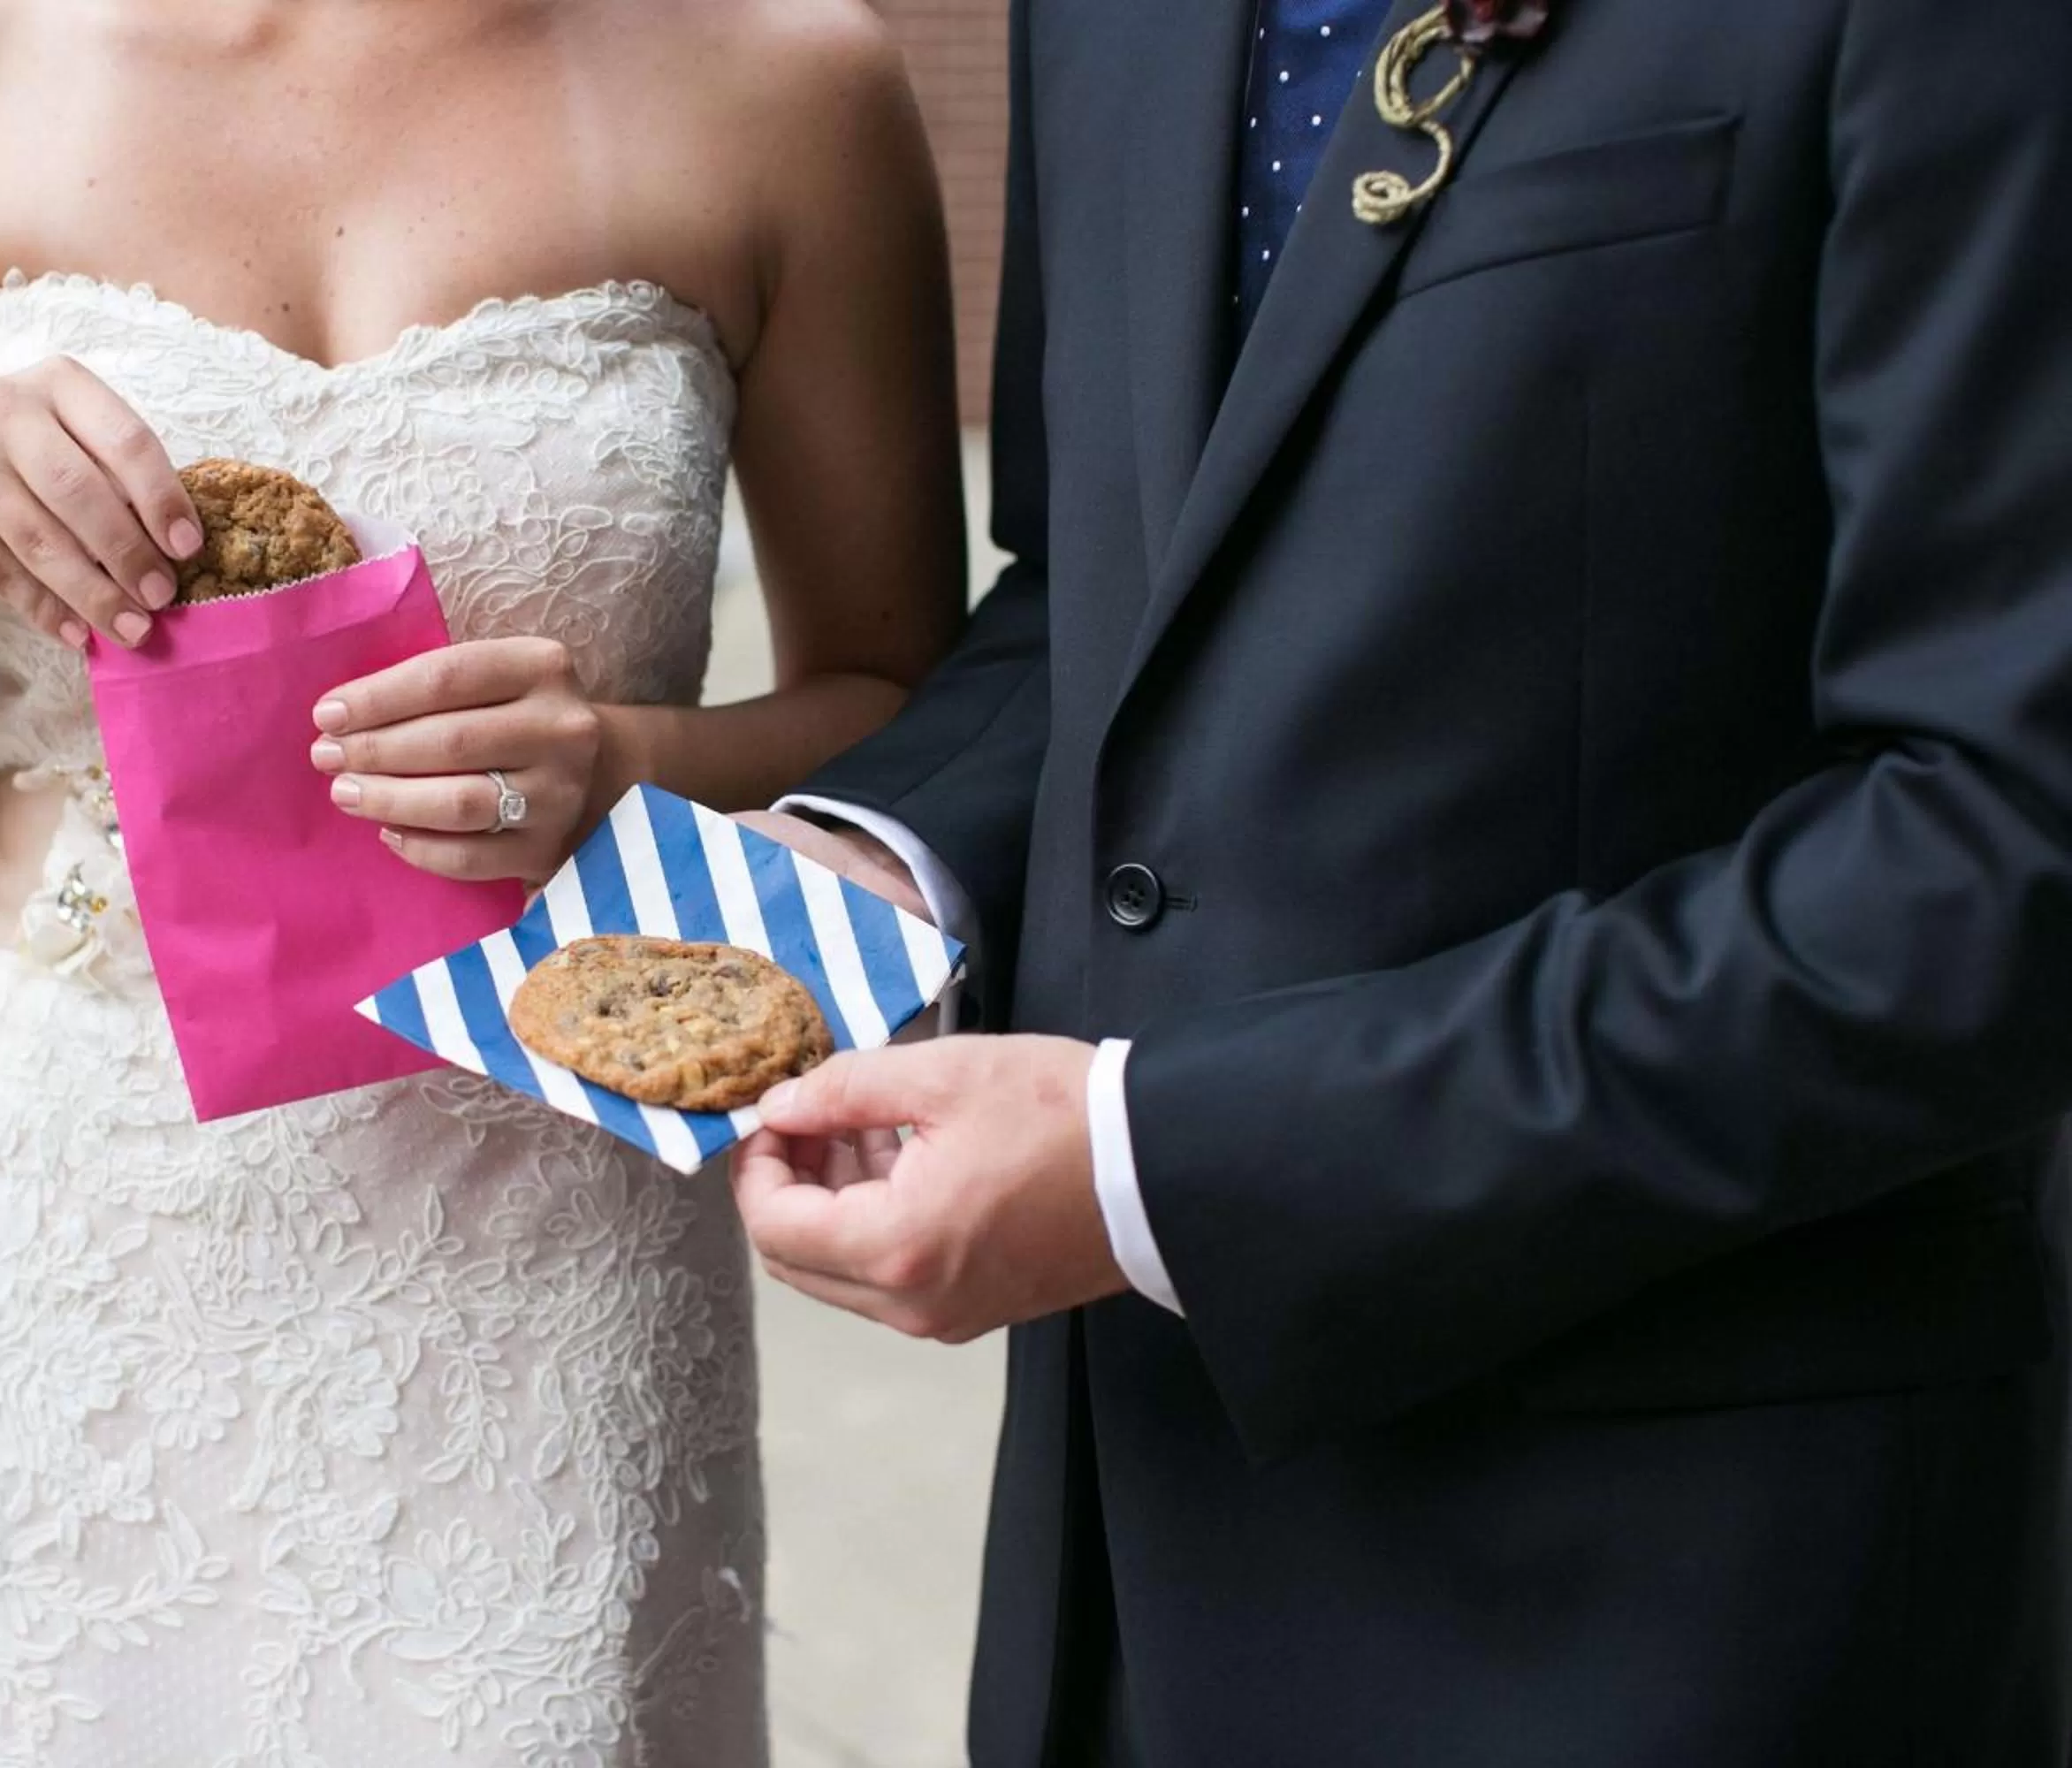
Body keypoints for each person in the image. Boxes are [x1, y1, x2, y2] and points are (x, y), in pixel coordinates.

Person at [742, 0, 2072, 1760]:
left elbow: (2000, 851)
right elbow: (1105, 589)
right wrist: (874, 859)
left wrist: (1171, 1164)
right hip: (1131, 1578)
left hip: (1681, 1606)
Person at [0, 0, 966, 1758]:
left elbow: (918, 720)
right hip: (52, 1251)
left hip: (550, 1254)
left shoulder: (777, 77)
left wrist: (628, 762)